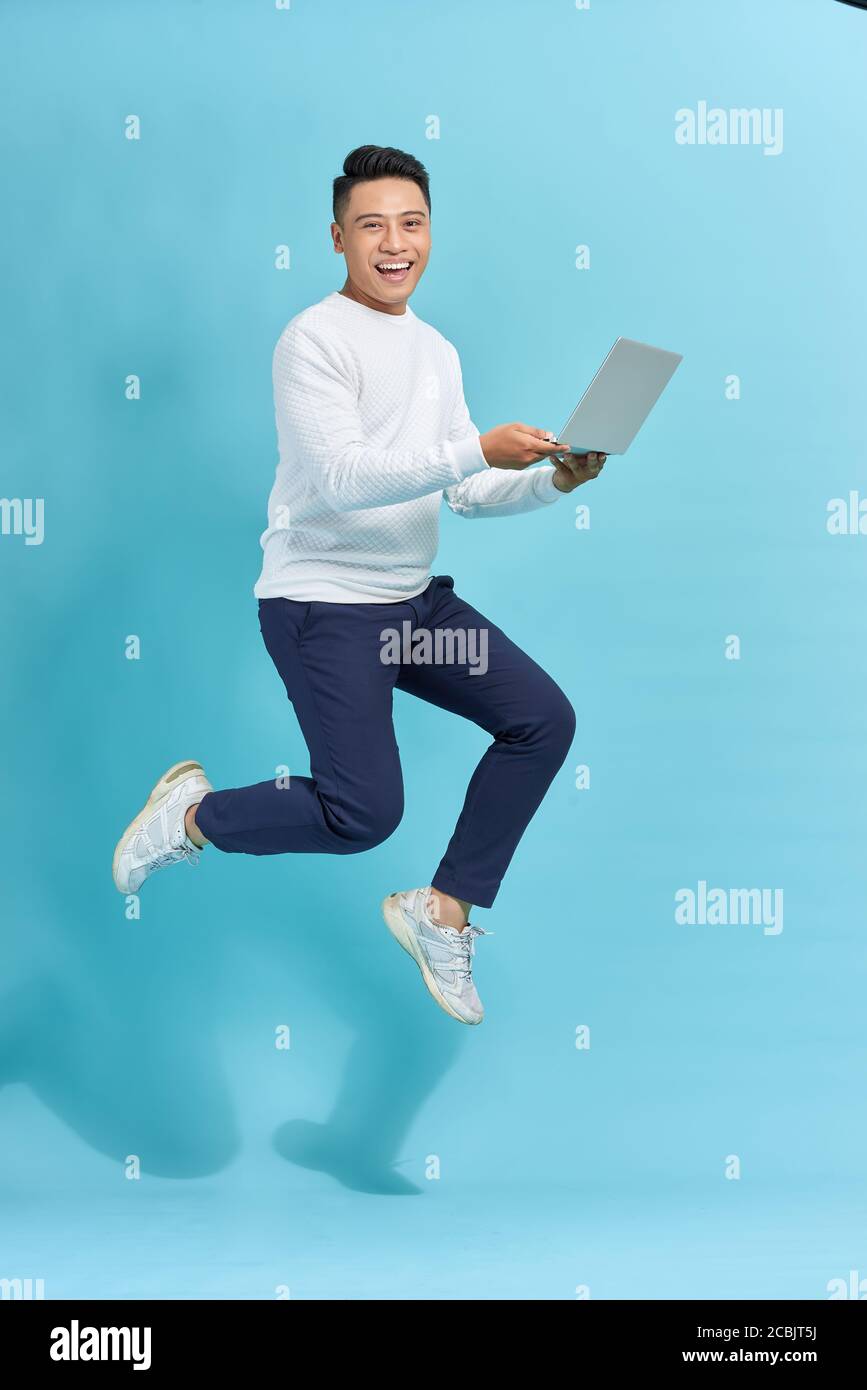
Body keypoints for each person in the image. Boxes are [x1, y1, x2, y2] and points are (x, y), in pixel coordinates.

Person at [112, 145, 606, 1026]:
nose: (393, 242)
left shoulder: (436, 350)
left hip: (411, 615)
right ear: (337, 237)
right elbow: (342, 478)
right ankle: (191, 818)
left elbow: (462, 490)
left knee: (541, 719)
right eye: (371, 225)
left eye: (410, 223)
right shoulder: (311, 341)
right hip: (323, 610)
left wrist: (548, 480)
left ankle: (442, 911)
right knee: (362, 813)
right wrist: (473, 448)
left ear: (429, 235)